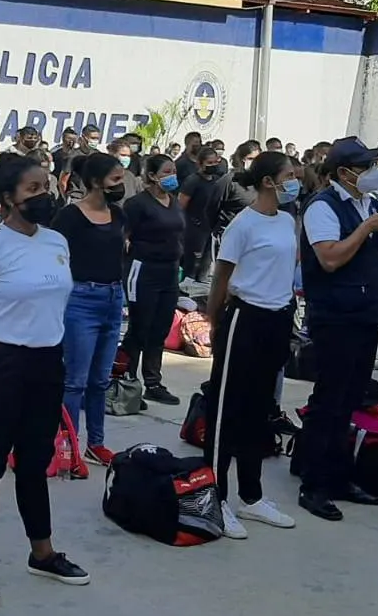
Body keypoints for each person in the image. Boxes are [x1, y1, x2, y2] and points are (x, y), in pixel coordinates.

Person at [0, 153, 87, 606]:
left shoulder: (57, 241)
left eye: (47, 186)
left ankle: (42, 552)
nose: (45, 195)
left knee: (35, 458)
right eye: (33, 189)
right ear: (7, 198)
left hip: (47, 361)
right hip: (0, 360)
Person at [298, 136, 378, 521]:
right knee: (330, 398)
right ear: (345, 172)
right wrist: (367, 227)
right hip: (335, 315)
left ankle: (339, 476)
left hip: (365, 312)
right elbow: (329, 258)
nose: (374, 173)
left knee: (352, 398)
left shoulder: (370, 204)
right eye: (366, 167)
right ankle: (314, 483)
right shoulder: (323, 207)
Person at [202, 152, 301, 537]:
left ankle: (251, 495)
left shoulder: (287, 220)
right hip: (245, 319)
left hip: (276, 319)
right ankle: (216, 496)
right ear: (268, 182)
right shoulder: (243, 224)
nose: (295, 180)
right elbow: (221, 277)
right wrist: (214, 322)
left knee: (260, 410)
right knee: (227, 410)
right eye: (288, 175)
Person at [51, 153, 127, 466]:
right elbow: (54, 257)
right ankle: (68, 446)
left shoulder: (118, 214)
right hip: (81, 299)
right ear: (96, 182)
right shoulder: (70, 216)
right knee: (75, 381)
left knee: (100, 380)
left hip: (113, 298)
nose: (121, 185)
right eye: (115, 179)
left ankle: (96, 443)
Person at [117, 154, 185, 406]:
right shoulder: (137, 204)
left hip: (169, 272)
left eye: (174, 171)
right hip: (143, 271)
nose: (172, 176)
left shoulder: (174, 202)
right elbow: (123, 235)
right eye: (166, 172)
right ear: (153, 176)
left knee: (160, 328)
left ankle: (153, 382)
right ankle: (127, 379)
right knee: (140, 327)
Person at [179, 147, 228, 281]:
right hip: (194, 229)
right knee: (192, 266)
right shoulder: (193, 181)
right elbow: (181, 205)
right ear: (200, 164)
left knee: (205, 267)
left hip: (210, 228)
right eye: (209, 163)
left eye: (215, 162)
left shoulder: (217, 180)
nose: (213, 166)